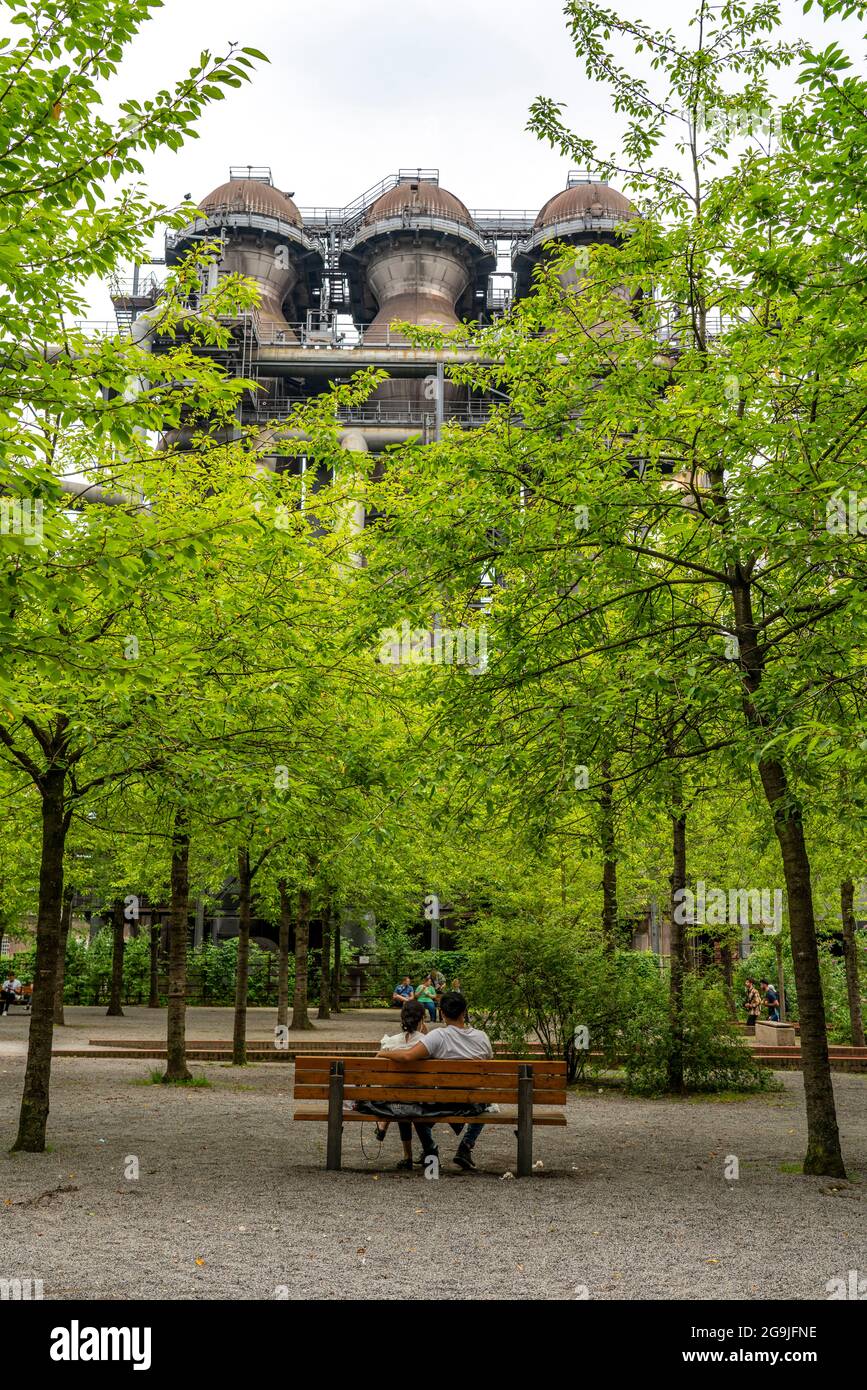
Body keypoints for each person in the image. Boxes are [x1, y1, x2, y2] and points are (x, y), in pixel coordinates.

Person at [378, 990, 493, 1172]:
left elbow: (408, 1056)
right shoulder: (482, 1037)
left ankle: (431, 1150)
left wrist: (384, 1052)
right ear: (464, 1011)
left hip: (442, 1100)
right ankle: (465, 1147)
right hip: (473, 1103)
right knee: (486, 1101)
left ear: (442, 1013)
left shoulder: (438, 1036)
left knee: (418, 1108)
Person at [359, 1000, 432, 1170]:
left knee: (399, 1098)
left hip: (395, 1097)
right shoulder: (427, 1043)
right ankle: (423, 1152)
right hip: (422, 1099)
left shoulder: (390, 1043)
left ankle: (407, 1156)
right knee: (406, 1098)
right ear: (422, 1019)